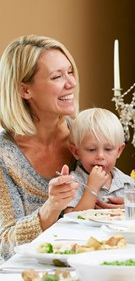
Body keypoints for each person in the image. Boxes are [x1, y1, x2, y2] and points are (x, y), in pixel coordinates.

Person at [0, 35, 81, 260]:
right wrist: (51, 208)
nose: (71, 83)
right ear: (25, 90)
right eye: (57, 76)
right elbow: (4, 244)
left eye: (70, 72)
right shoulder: (4, 155)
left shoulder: (86, 139)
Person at [63, 108, 134, 213]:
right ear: (76, 152)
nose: (100, 156)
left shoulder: (126, 183)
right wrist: (92, 188)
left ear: (119, 151)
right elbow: (71, 219)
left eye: (108, 149)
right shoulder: (73, 183)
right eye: (91, 149)